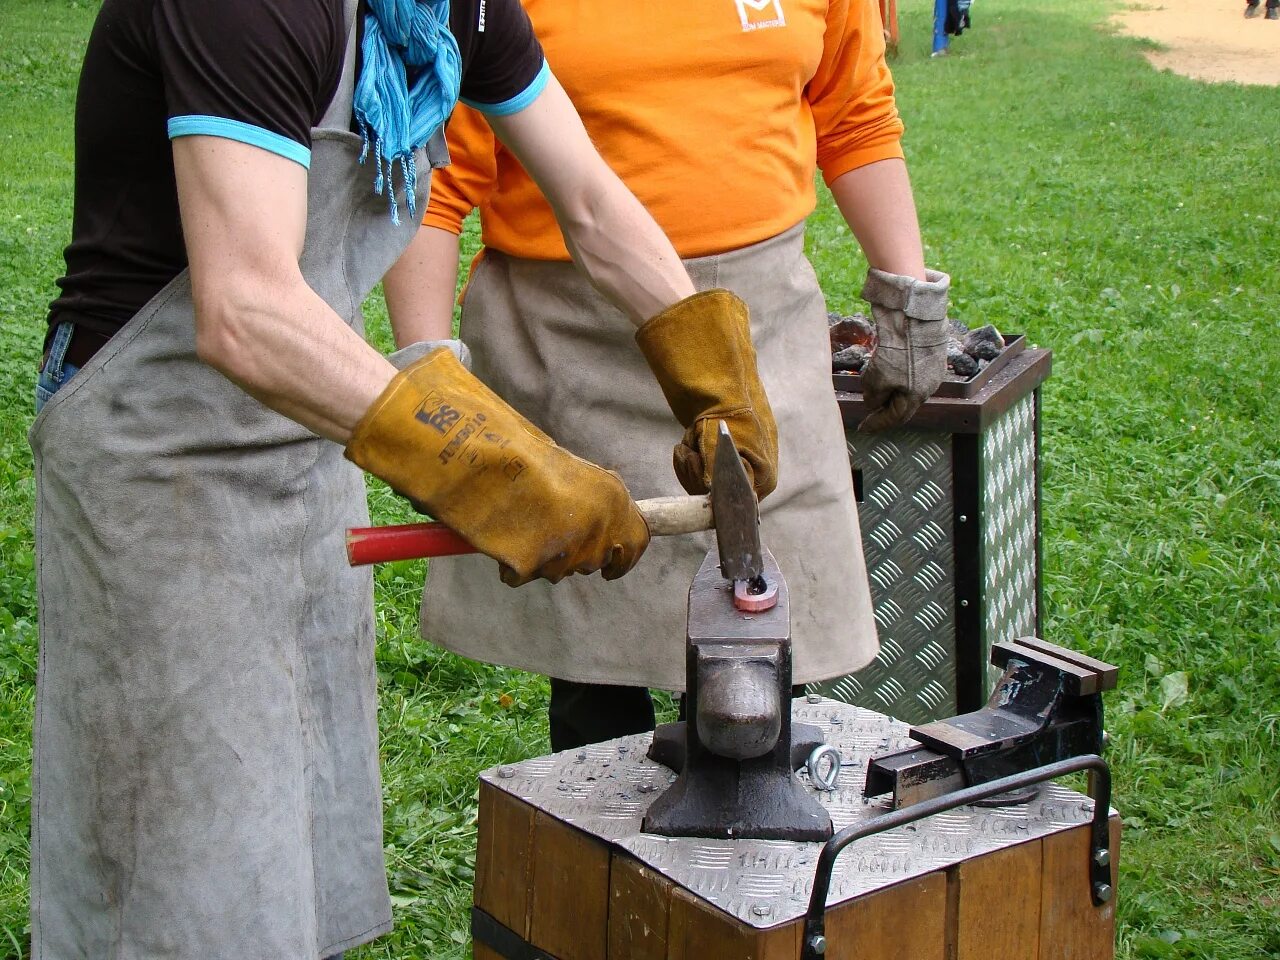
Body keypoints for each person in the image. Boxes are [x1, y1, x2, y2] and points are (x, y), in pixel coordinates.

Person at [30, 0, 777, 954]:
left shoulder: (447, 11)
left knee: (291, 817)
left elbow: (587, 198)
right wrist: (503, 469)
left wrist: (711, 366)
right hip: (160, 445)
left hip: (307, 432)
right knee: (180, 852)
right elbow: (247, 308)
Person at [383, 0, 951, 752]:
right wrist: (429, 382)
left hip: (758, 331)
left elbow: (856, 116)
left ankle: (760, 860)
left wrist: (908, 301)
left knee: (771, 649)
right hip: (568, 344)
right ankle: (601, 855)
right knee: (594, 690)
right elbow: (437, 181)